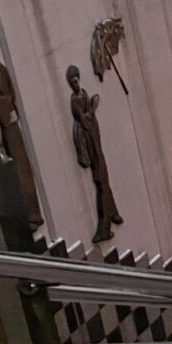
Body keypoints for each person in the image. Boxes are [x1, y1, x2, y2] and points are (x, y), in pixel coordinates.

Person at [0, 25, 44, 229]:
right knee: (15, 167)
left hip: (12, 121)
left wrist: (11, 105)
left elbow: (11, 92)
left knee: (24, 166)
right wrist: (7, 109)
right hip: (6, 125)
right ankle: (27, 215)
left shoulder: (0, 67)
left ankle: (34, 213)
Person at [68, 65, 123, 243]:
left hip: (96, 143)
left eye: (76, 80)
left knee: (104, 179)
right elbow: (84, 121)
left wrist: (91, 108)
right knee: (101, 181)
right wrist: (91, 111)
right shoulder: (75, 100)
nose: (75, 84)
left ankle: (113, 212)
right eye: (72, 82)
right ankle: (104, 226)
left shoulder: (83, 94)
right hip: (91, 145)